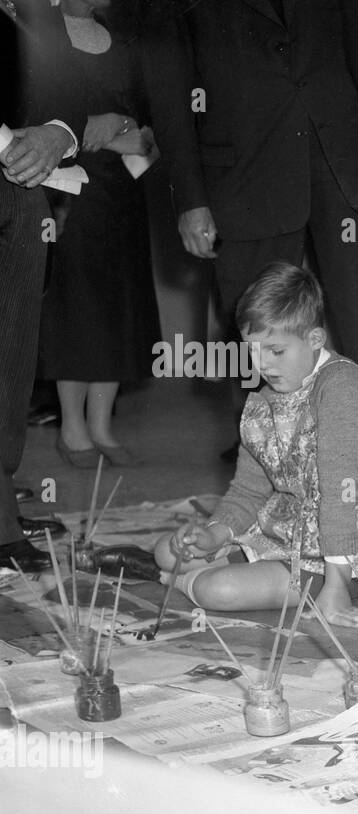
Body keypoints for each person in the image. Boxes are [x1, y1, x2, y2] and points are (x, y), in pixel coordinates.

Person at [143, 0, 358, 531]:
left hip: (343, 163)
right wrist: (190, 198)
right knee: (263, 343)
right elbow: (170, 98)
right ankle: (271, 490)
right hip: (245, 177)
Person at [152, 263, 358, 627]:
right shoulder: (264, 402)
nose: (262, 364)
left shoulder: (341, 389)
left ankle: (189, 585)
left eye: (276, 351)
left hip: (345, 556)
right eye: (252, 350)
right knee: (166, 551)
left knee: (216, 591)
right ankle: (192, 578)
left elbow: (340, 493)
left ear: (315, 340)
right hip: (285, 539)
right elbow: (247, 491)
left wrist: (336, 587)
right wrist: (215, 533)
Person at [41, 0, 159, 471]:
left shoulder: (124, 40)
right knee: (77, 306)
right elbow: (50, 119)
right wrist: (109, 130)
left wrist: (117, 129)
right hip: (66, 189)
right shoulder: (41, 36)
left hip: (123, 190)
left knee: (118, 305)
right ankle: (72, 429)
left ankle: (101, 425)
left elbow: (151, 127)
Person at [1, 0, 87, 572]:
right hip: (9, 157)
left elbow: (68, 88)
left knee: (12, 356)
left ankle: (0, 496)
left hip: (26, 192)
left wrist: (57, 134)